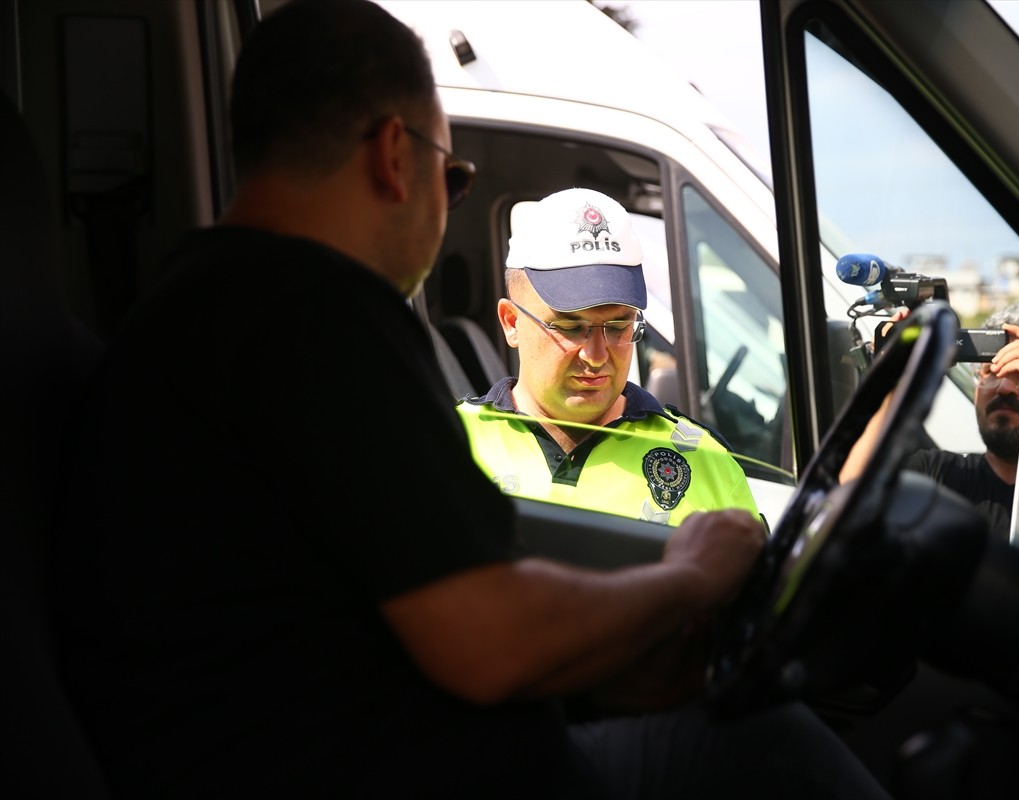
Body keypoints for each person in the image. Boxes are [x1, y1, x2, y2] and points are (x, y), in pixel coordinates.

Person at [49, 2, 888, 798]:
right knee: (766, 746)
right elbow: (489, 637)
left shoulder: (198, 306)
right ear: (393, 155)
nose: (597, 353)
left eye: (619, 326)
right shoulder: (318, 314)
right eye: (453, 178)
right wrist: (690, 576)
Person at [456, 187, 763, 528]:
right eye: (571, 328)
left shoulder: (704, 460)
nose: (597, 355)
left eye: (618, 326)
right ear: (511, 323)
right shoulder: (444, 443)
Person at [840, 300, 1019, 539]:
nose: (1005, 387)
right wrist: (895, 386)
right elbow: (849, 501)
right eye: (991, 371)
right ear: (976, 391)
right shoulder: (937, 476)